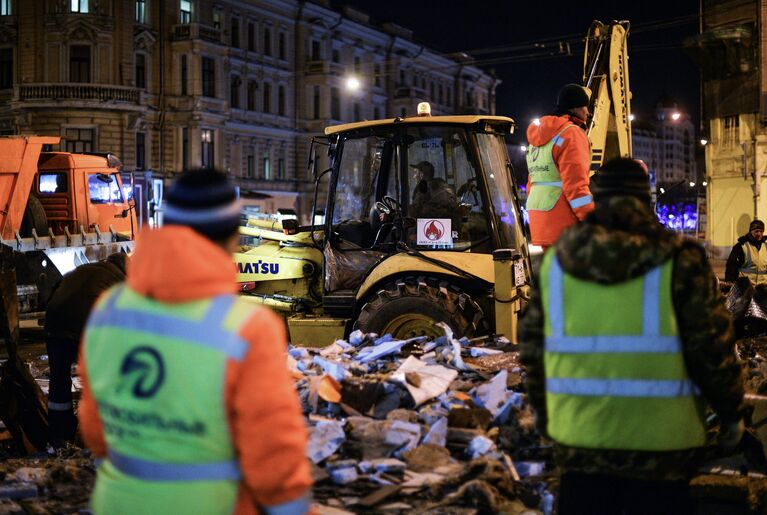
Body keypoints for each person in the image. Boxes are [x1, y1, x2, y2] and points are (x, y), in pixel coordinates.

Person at [78, 170, 312, 515]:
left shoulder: (108, 311)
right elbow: (273, 456)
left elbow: (95, 430)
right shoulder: (247, 329)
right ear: (233, 237)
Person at [519, 157, 745, 514]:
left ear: (598, 198)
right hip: (663, 454)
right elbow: (712, 349)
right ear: (645, 200)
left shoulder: (556, 262)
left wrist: (547, 420)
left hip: (581, 448)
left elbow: (533, 354)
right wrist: (731, 412)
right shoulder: (681, 258)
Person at [44, 252, 127, 447]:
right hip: (86, 324)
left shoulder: (83, 270)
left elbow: (55, 291)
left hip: (54, 324)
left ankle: (59, 435)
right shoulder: (121, 281)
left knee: (58, 380)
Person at [525, 83, 595, 249]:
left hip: (540, 218)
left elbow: (532, 182)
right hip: (564, 222)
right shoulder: (571, 134)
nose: (588, 112)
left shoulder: (538, 137)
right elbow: (576, 187)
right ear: (576, 108)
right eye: (585, 106)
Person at [725, 219, 767, 284]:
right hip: (746, 288)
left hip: (763, 288)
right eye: (756, 231)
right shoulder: (741, 246)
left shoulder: (765, 246)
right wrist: (730, 282)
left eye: (761, 231)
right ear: (751, 231)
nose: (759, 234)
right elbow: (732, 266)